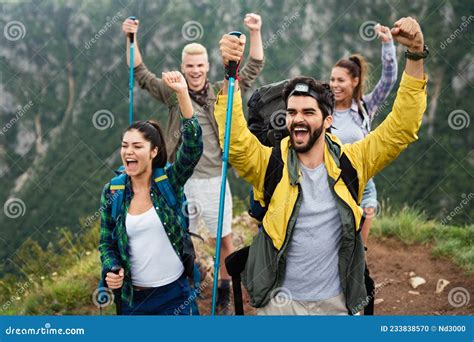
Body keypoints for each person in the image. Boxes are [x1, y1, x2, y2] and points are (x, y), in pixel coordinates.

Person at [216, 17, 427, 315]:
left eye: (307, 112)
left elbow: (401, 127)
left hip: (337, 305)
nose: (297, 119)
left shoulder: (353, 161)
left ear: (328, 121)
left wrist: (416, 53)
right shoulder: (269, 164)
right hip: (279, 306)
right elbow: (234, 139)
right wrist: (230, 74)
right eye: (291, 112)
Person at [122, 13, 265, 314]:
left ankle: (225, 292)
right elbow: (141, 73)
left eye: (200, 66)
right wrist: (131, 37)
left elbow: (253, 67)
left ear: (207, 67)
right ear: (183, 68)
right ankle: (187, 287)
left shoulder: (222, 89)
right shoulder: (174, 94)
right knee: (181, 237)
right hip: (182, 178)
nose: (195, 71)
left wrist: (255, 31)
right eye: (190, 66)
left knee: (222, 239)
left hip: (215, 176)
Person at [99, 71, 203, 315]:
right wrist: (112, 268)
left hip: (175, 296)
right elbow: (107, 243)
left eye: (137, 146)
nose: (128, 152)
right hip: (133, 300)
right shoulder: (113, 191)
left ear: (154, 152)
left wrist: (182, 94)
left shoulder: (169, 182)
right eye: (125, 145)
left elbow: (192, 147)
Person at [330, 23, 398, 244]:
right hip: (331, 184)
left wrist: (388, 44)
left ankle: (357, 277)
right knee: (335, 248)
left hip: (363, 184)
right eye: (332, 80)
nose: (334, 85)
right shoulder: (322, 109)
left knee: (359, 249)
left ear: (355, 81)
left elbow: (387, 81)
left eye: (341, 80)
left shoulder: (364, 107)